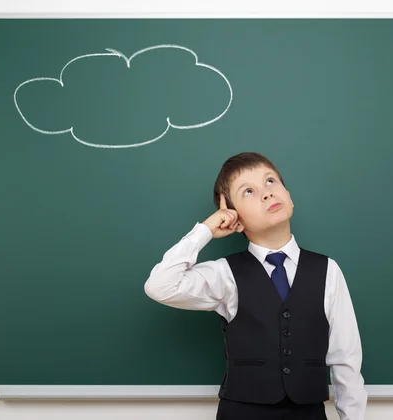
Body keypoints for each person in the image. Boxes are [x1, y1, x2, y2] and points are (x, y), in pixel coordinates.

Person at [144, 152, 367, 420]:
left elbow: (346, 361)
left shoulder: (328, 271)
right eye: (248, 191)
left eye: (271, 181)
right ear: (233, 217)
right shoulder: (224, 274)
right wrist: (205, 230)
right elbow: (160, 286)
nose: (266, 193)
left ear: (289, 196)